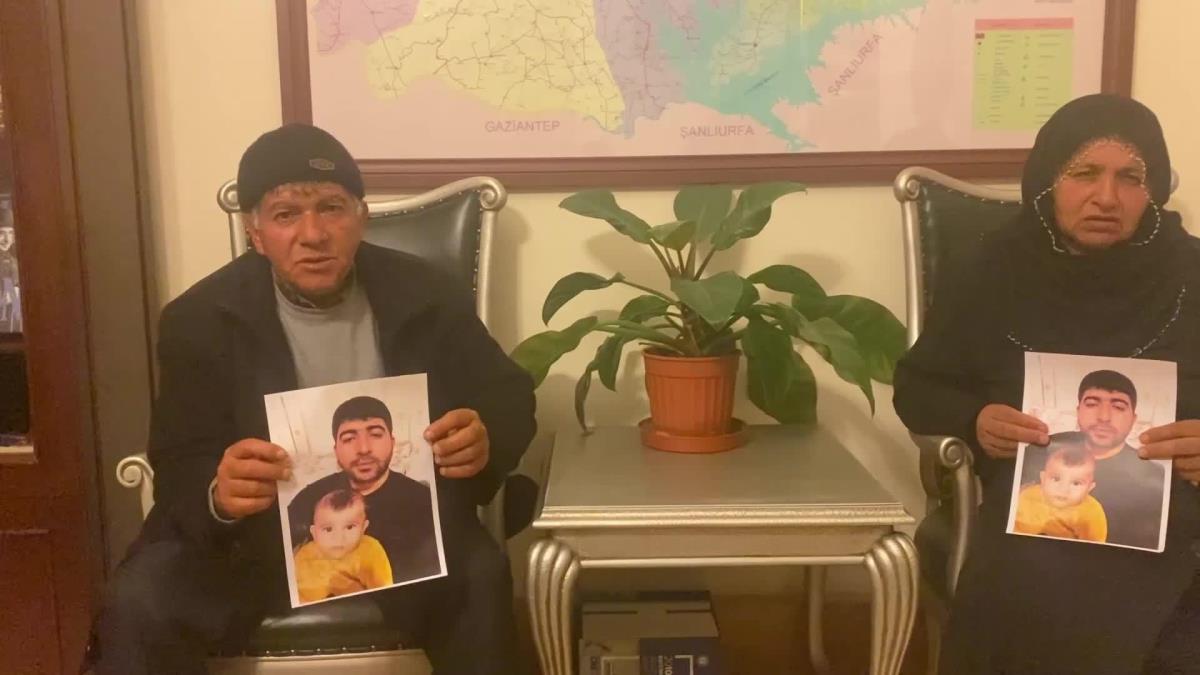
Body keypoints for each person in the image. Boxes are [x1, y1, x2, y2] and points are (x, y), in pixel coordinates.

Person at [94, 123, 537, 675]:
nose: (313, 234)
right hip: (250, 546)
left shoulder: (428, 293)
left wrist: (484, 437)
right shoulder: (198, 320)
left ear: (361, 217)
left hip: (400, 531)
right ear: (255, 232)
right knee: (140, 601)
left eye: (332, 208)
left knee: (479, 576)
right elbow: (179, 458)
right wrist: (218, 493)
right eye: (285, 215)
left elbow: (508, 395)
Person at [893, 94, 1200, 674]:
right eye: (1084, 173)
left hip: (1178, 522)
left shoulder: (1193, 272)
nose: (1106, 197)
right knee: (1029, 602)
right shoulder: (988, 270)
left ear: (1153, 190)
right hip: (1034, 517)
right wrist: (976, 421)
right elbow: (919, 386)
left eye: (1130, 178)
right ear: (1048, 181)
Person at [288, 395, 440, 583]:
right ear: (336, 450)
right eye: (349, 438)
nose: (364, 448)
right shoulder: (310, 498)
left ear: (392, 442)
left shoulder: (424, 502)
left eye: (375, 434)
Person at [1020, 370, 1166, 549]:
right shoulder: (1040, 449)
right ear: (1078, 411)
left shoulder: (1154, 480)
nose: (1104, 417)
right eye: (1091, 404)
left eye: (1119, 407)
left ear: (1133, 419)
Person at [294, 488, 393, 603]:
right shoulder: (305, 556)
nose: (339, 538)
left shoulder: (371, 550)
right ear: (314, 533)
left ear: (363, 528)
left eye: (349, 527)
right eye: (328, 529)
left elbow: (386, 595)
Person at [1014, 442, 1107, 543]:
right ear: (1043, 478)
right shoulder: (1027, 496)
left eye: (1076, 483)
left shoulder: (1091, 513)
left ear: (1089, 488)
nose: (1063, 489)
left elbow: (1094, 545)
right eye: (1056, 479)